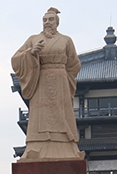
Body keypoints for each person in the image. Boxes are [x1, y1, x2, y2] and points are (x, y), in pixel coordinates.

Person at [11, 7, 83, 161]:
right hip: (40, 79)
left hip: (60, 81)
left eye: (50, 20)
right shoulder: (33, 39)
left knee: (61, 113)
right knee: (39, 115)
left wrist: (65, 76)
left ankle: (66, 147)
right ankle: (36, 147)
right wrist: (31, 53)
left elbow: (74, 64)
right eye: (44, 20)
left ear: (57, 22)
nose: (47, 23)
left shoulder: (66, 40)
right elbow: (15, 59)